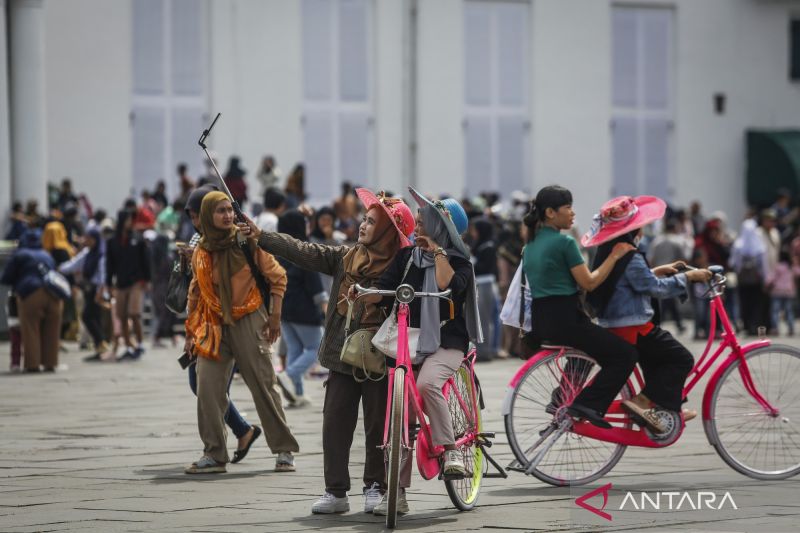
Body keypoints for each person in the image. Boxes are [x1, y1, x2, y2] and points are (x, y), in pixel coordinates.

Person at [239, 188, 415, 515]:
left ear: (390, 231)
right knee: (334, 424)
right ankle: (336, 492)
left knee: (379, 427)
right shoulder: (346, 256)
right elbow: (304, 251)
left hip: (382, 359)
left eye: (371, 222)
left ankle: (375, 487)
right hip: (341, 355)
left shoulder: (405, 267)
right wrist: (262, 237)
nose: (362, 226)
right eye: (364, 219)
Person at [363, 189, 482, 517]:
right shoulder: (405, 259)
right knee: (399, 417)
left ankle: (450, 452)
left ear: (444, 228)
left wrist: (438, 252)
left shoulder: (460, 262)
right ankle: (396, 493)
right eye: (416, 223)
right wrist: (361, 295)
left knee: (429, 383)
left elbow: (450, 287)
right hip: (407, 344)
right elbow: (385, 291)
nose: (417, 229)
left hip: (447, 344)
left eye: (424, 224)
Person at [184, 191, 298, 474]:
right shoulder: (201, 250)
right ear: (207, 215)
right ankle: (214, 454)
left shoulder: (246, 240)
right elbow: (196, 292)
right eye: (220, 211)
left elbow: (278, 277)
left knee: (263, 384)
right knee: (207, 388)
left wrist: (275, 316)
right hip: (212, 324)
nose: (227, 215)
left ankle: (284, 450)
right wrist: (190, 333)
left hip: (250, 318)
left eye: (229, 210)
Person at [583, 196, 712, 433]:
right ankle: (643, 402)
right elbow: (655, 289)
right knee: (681, 358)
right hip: (633, 326)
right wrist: (689, 277)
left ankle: (665, 408)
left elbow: (627, 282)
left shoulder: (610, 249)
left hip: (615, 324)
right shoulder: (629, 254)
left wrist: (656, 271)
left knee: (657, 362)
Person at [523, 185, 638, 428]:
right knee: (625, 355)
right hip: (567, 320)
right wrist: (615, 255)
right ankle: (589, 404)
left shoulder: (529, 247)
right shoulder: (564, 243)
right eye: (568, 208)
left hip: (542, 321)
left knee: (589, 351)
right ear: (551, 213)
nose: (573, 213)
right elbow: (590, 282)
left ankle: (561, 397)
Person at [177, 185, 261, 465]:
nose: (194, 222)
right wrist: (188, 263)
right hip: (203, 324)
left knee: (214, 384)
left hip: (233, 324)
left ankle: (263, 442)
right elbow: (194, 288)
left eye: (197, 214)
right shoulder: (196, 239)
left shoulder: (236, 237)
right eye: (192, 216)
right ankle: (238, 433)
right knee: (200, 383)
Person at [274, 210, 328, 407]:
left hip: (285, 309)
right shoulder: (303, 250)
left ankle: (297, 394)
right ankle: (289, 376)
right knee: (318, 347)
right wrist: (323, 304)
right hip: (304, 310)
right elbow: (313, 280)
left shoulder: (279, 251)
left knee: (295, 350)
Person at [1, 230, 64, 372]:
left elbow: (6, 277)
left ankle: (33, 364)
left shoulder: (20, 255)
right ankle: (50, 363)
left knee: (31, 329)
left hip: (30, 294)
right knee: (51, 330)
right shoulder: (46, 254)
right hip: (54, 295)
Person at [104, 209, 151, 360]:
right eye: (128, 219)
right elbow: (109, 265)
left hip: (136, 282)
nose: (131, 222)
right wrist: (108, 283)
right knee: (121, 316)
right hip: (120, 283)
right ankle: (129, 345)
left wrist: (147, 280)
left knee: (134, 313)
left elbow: (146, 261)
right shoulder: (112, 241)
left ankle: (140, 342)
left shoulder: (137, 238)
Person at [58, 227, 109, 361]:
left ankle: (101, 342)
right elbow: (73, 265)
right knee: (94, 318)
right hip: (88, 290)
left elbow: (103, 275)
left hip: (97, 290)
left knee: (87, 316)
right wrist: (58, 267)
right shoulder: (87, 252)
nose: (87, 241)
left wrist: (101, 291)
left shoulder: (101, 254)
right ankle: (100, 348)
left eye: (89, 238)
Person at [647, 218, 689, 333]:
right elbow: (684, 259)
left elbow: (651, 260)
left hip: (658, 274)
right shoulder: (677, 241)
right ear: (674, 228)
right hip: (672, 275)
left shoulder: (656, 241)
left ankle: (668, 324)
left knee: (665, 301)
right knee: (668, 300)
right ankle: (661, 324)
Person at [730, 219, 768, 336]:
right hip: (756, 280)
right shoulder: (759, 245)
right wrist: (765, 278)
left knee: (744, 302)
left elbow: (734, 263)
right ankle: (754, 326)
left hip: (743, 280)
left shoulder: (738, 245)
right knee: (756, 303)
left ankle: (746, 325)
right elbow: (763, 265)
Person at [469, 217, 499, 361]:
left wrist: (471, 260)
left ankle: (485, 351)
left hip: (485, 284)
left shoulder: (488, 247)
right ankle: (480, 350)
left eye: (475, 230)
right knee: (479, 319)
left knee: (484, 319)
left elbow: (484, 268)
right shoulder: (481, 245)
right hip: (480, 284)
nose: (473, 233)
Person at [765, 250, 799, 336]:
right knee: (789, 311)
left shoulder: (778, 267)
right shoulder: (791, 267)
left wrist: (766, 284)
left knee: (775, 311)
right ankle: (791, 328)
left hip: (777, 291)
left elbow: (771, 278)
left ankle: (775, 328)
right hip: (789, 292)